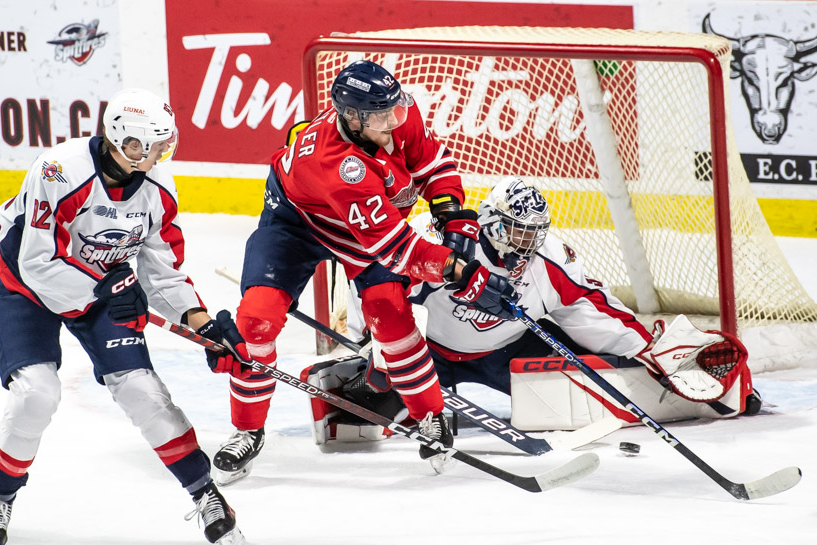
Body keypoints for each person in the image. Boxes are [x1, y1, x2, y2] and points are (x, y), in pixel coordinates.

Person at [214, 60, 518, 483]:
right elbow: (397, 249)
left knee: (390, 315)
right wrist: (459, 271)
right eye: (381, 117)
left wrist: (450, 212)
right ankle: (247, 430)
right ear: (352, 119)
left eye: (394, 110)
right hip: (297, 225)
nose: (394, 122)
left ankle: (430, 417)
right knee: (256, 320)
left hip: (367, 227)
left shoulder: (394, 111)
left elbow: (434, 164)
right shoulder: (339, 167)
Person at [0, 88, 251, 545]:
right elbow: (37, 262)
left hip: (106, 288)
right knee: (36, 394)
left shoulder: (158, 188)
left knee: (143, 390)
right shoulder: (59, 171)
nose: (162, 153)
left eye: (164, 143)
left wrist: (202, 324)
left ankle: (207, 494)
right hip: (26, 288)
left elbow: (162, 271)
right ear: (126, 142)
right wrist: (108, 290)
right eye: (153, 144)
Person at [311, 176, 756, 440]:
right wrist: (373, 342)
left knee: (591, 385)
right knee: (367, 414)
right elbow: (375, 283)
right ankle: (353, 386)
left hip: (508, 350)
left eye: (534, 232)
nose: (528, 243)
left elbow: (589, 308)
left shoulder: (547, 260)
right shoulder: (441, 244)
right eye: (519, 232)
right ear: (491, 222)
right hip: (428, 353)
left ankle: (707, 389)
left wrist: (644, 347)